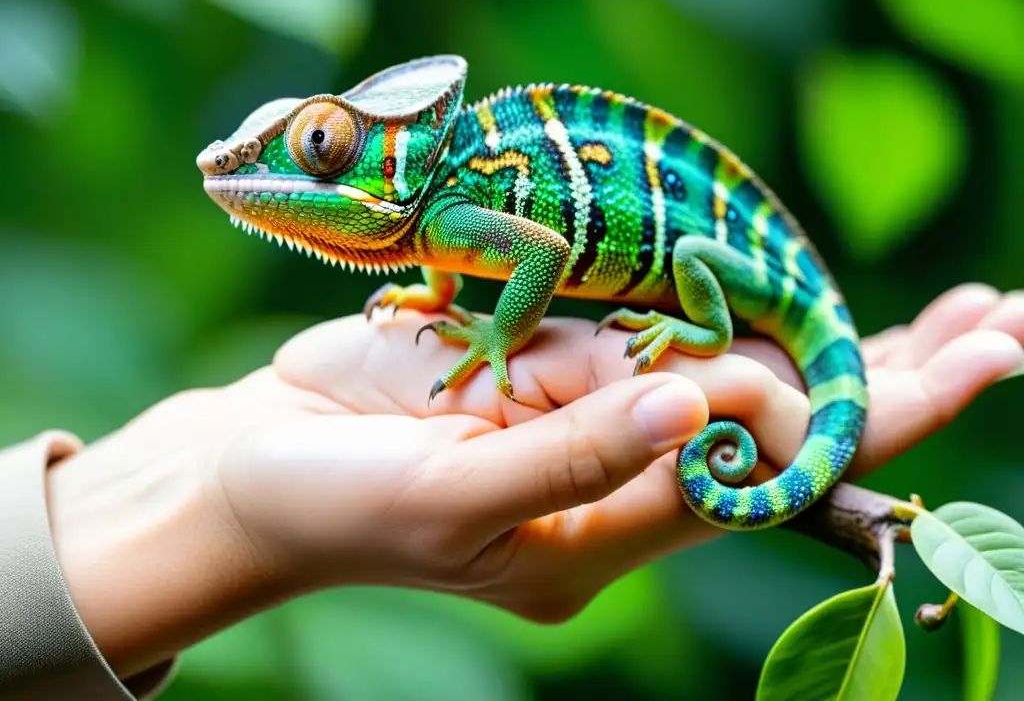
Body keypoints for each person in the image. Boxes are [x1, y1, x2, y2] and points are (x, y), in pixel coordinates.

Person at [1, 284, 1021, 700]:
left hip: (746, 277)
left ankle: (713, 329)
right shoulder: (437, 234)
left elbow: (530, 252)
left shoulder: (457, 203)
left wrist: (497, 333)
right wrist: (208, 499)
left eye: (321, 150)